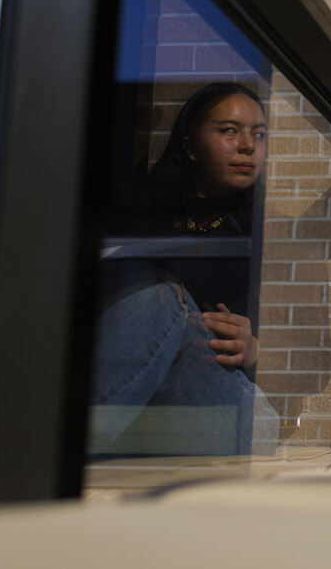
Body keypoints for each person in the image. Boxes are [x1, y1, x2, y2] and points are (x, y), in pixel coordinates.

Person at [91, 81, 276, 455]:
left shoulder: (277, 235)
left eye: (259, 134)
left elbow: (317, 367)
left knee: (160, 295)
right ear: (189, 147)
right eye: (229, 130)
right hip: (144, 399)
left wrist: (255, 349)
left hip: (233, 405)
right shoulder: (140, 220)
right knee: (158, 296)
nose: (247, 146)